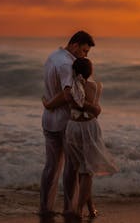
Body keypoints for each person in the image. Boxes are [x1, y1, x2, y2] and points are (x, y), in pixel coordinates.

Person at [43, 57, 118, 218]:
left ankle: (90, 208)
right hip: (89, 127)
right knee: (87, 171)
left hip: (72, 127)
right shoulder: (97, 86)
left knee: (79, 169)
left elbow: (60, 101)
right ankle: (76, 210)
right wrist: (96, 108)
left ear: (74, 71)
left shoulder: (71, 89)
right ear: (91, 71)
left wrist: (47, 103)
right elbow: (94, 109)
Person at [39, 30, 99, 216]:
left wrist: (48, 105)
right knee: (71, 168)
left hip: (49, 121)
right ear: (74, 45)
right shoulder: (68, 64)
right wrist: (93, 108)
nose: (84, 55)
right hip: (66, 122)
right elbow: (68, 94)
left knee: (51, 166)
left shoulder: (53, 56)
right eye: (83, 51)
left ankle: (45, 208)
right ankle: (69, 209)